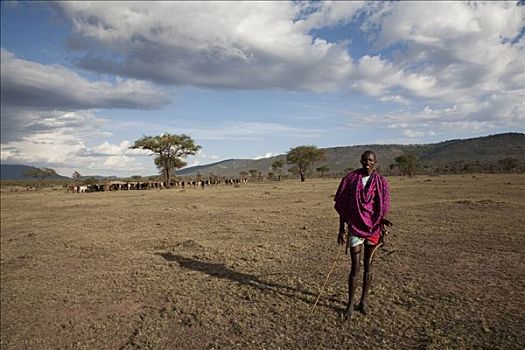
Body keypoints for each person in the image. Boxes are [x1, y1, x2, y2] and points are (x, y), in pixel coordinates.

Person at [334, 150, 391, 320]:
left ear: (375, 162)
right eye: (365, 160)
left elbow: (382, 206)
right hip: (355, 228)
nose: (367, 163)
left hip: (373, 229)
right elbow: (343, 206)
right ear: (360, 161)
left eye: (371, 160)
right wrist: (341, 229)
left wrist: (383, 221)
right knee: (355, 267)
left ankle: (363, 302)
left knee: (369, 265)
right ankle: (350, 304)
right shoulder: (350, 180)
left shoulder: (381, 182)